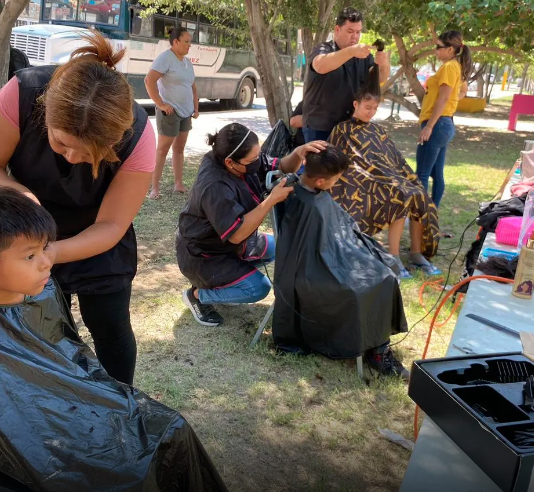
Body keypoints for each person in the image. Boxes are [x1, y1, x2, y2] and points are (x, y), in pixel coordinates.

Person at [0, 188, 228, 492]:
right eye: (30, 256)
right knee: (132, 470)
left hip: (64, 405)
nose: (46, 262)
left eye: (45, 248)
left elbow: (66, 354)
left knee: (172, 429)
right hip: (28, 430)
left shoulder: (41, 289)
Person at [0, 30, 155, 386]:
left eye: (88, 154)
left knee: (111, 328)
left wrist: (52, 253)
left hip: (98, 237)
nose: (72, 158)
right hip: (28, 236)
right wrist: (19, 194)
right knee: (44, 332)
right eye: (61, 143)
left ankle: (120, 407)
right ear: (45, 112)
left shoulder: (139, 134)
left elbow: (112, 225)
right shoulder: (23, 94)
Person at [272, 147, 410, 380]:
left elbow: (337, 227)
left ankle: (377, 345)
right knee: (356, 289)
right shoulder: (305, 203)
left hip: (335, 252)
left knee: (385, 274)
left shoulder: (315, 191)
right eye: (335, 180)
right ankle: (375, 350)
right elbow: (301, 253)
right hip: (311, 269)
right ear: (320, 180)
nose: (336, 184)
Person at [176, 122, 326, 326]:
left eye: (258, 155)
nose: (258, 161)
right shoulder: (214, 185)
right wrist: (270, 200)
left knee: (278, 246)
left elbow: (281, 166)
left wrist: (299, 153)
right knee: (258, 288)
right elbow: (236, 233)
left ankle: (229, 281)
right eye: (252, 159)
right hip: (203, 255)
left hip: (231, 245)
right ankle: (197, 295)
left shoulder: (242, 159)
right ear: (230, 163)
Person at [330, 65, 442, 277]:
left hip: (384, 178)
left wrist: (402, 177)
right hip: (359, 183)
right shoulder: (341, 129)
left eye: (375, 108)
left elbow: (393, 159)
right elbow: (339, 162)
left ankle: (416, 254)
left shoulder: (377, 129)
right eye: (367, 107)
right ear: (356, 104)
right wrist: (375, 175)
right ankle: (394, 258)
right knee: (399, 195)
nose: (371, 112)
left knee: (417, 192)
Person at [301, 7, 390, 143]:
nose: (355, 37)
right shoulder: (323, 49)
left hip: (350, 128)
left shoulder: (363, 57)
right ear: (337, 29)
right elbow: (320, 65)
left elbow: (380, 78)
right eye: (350, 31)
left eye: (358, 32)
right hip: (320, 127)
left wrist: (383, 63)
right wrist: (351, 52)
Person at [416, 30, 473, 206]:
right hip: (445, 124)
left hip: (438, 124)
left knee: (422, 174)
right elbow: (461, 91)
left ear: (450, 49)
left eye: (438, 47)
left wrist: (429, 126)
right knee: (436, 173)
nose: (436, 51)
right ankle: (432, 213)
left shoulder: (449, 67)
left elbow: (444, 97)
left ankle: (421, 215)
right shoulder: (455, 66)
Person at [145, 27, 199, 199]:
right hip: (170, 112)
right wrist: (160, 104)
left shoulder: (186, 62)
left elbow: (192, 86)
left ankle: (178, 184)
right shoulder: (165, 58)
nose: (189, 45)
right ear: (175, 42)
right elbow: (149, 80)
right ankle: (154, 189)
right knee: (162, 150)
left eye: (190, 41)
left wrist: (196, 107)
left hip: (186, 112)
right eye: (186, 41)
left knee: (179, 148)